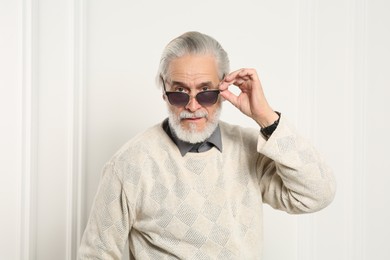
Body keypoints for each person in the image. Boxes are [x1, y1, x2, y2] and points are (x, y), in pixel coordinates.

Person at [78, 31, 336, 259]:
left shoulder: (250, 149)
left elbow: (317, 194)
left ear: (225, 89)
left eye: (206, 92)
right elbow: (96, 254)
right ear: (164, 91)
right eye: (179, 92)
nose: (192, 106)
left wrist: (265, 117)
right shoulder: (129, 165)